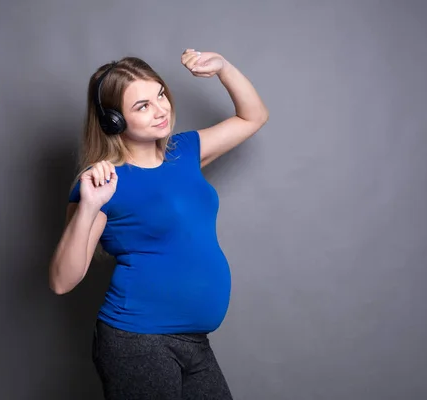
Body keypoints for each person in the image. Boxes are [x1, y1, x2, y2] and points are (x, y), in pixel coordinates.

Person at [48, 48, 268, 400]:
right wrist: (89, 207)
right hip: (138, 342)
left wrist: (224, 67)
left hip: (195, 342)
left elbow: (252, 117)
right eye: (142, 106)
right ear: (113, 121)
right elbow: (62, 281)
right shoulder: (103, 182)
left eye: (160, 95)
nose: (161, 109)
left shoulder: (185, 152)